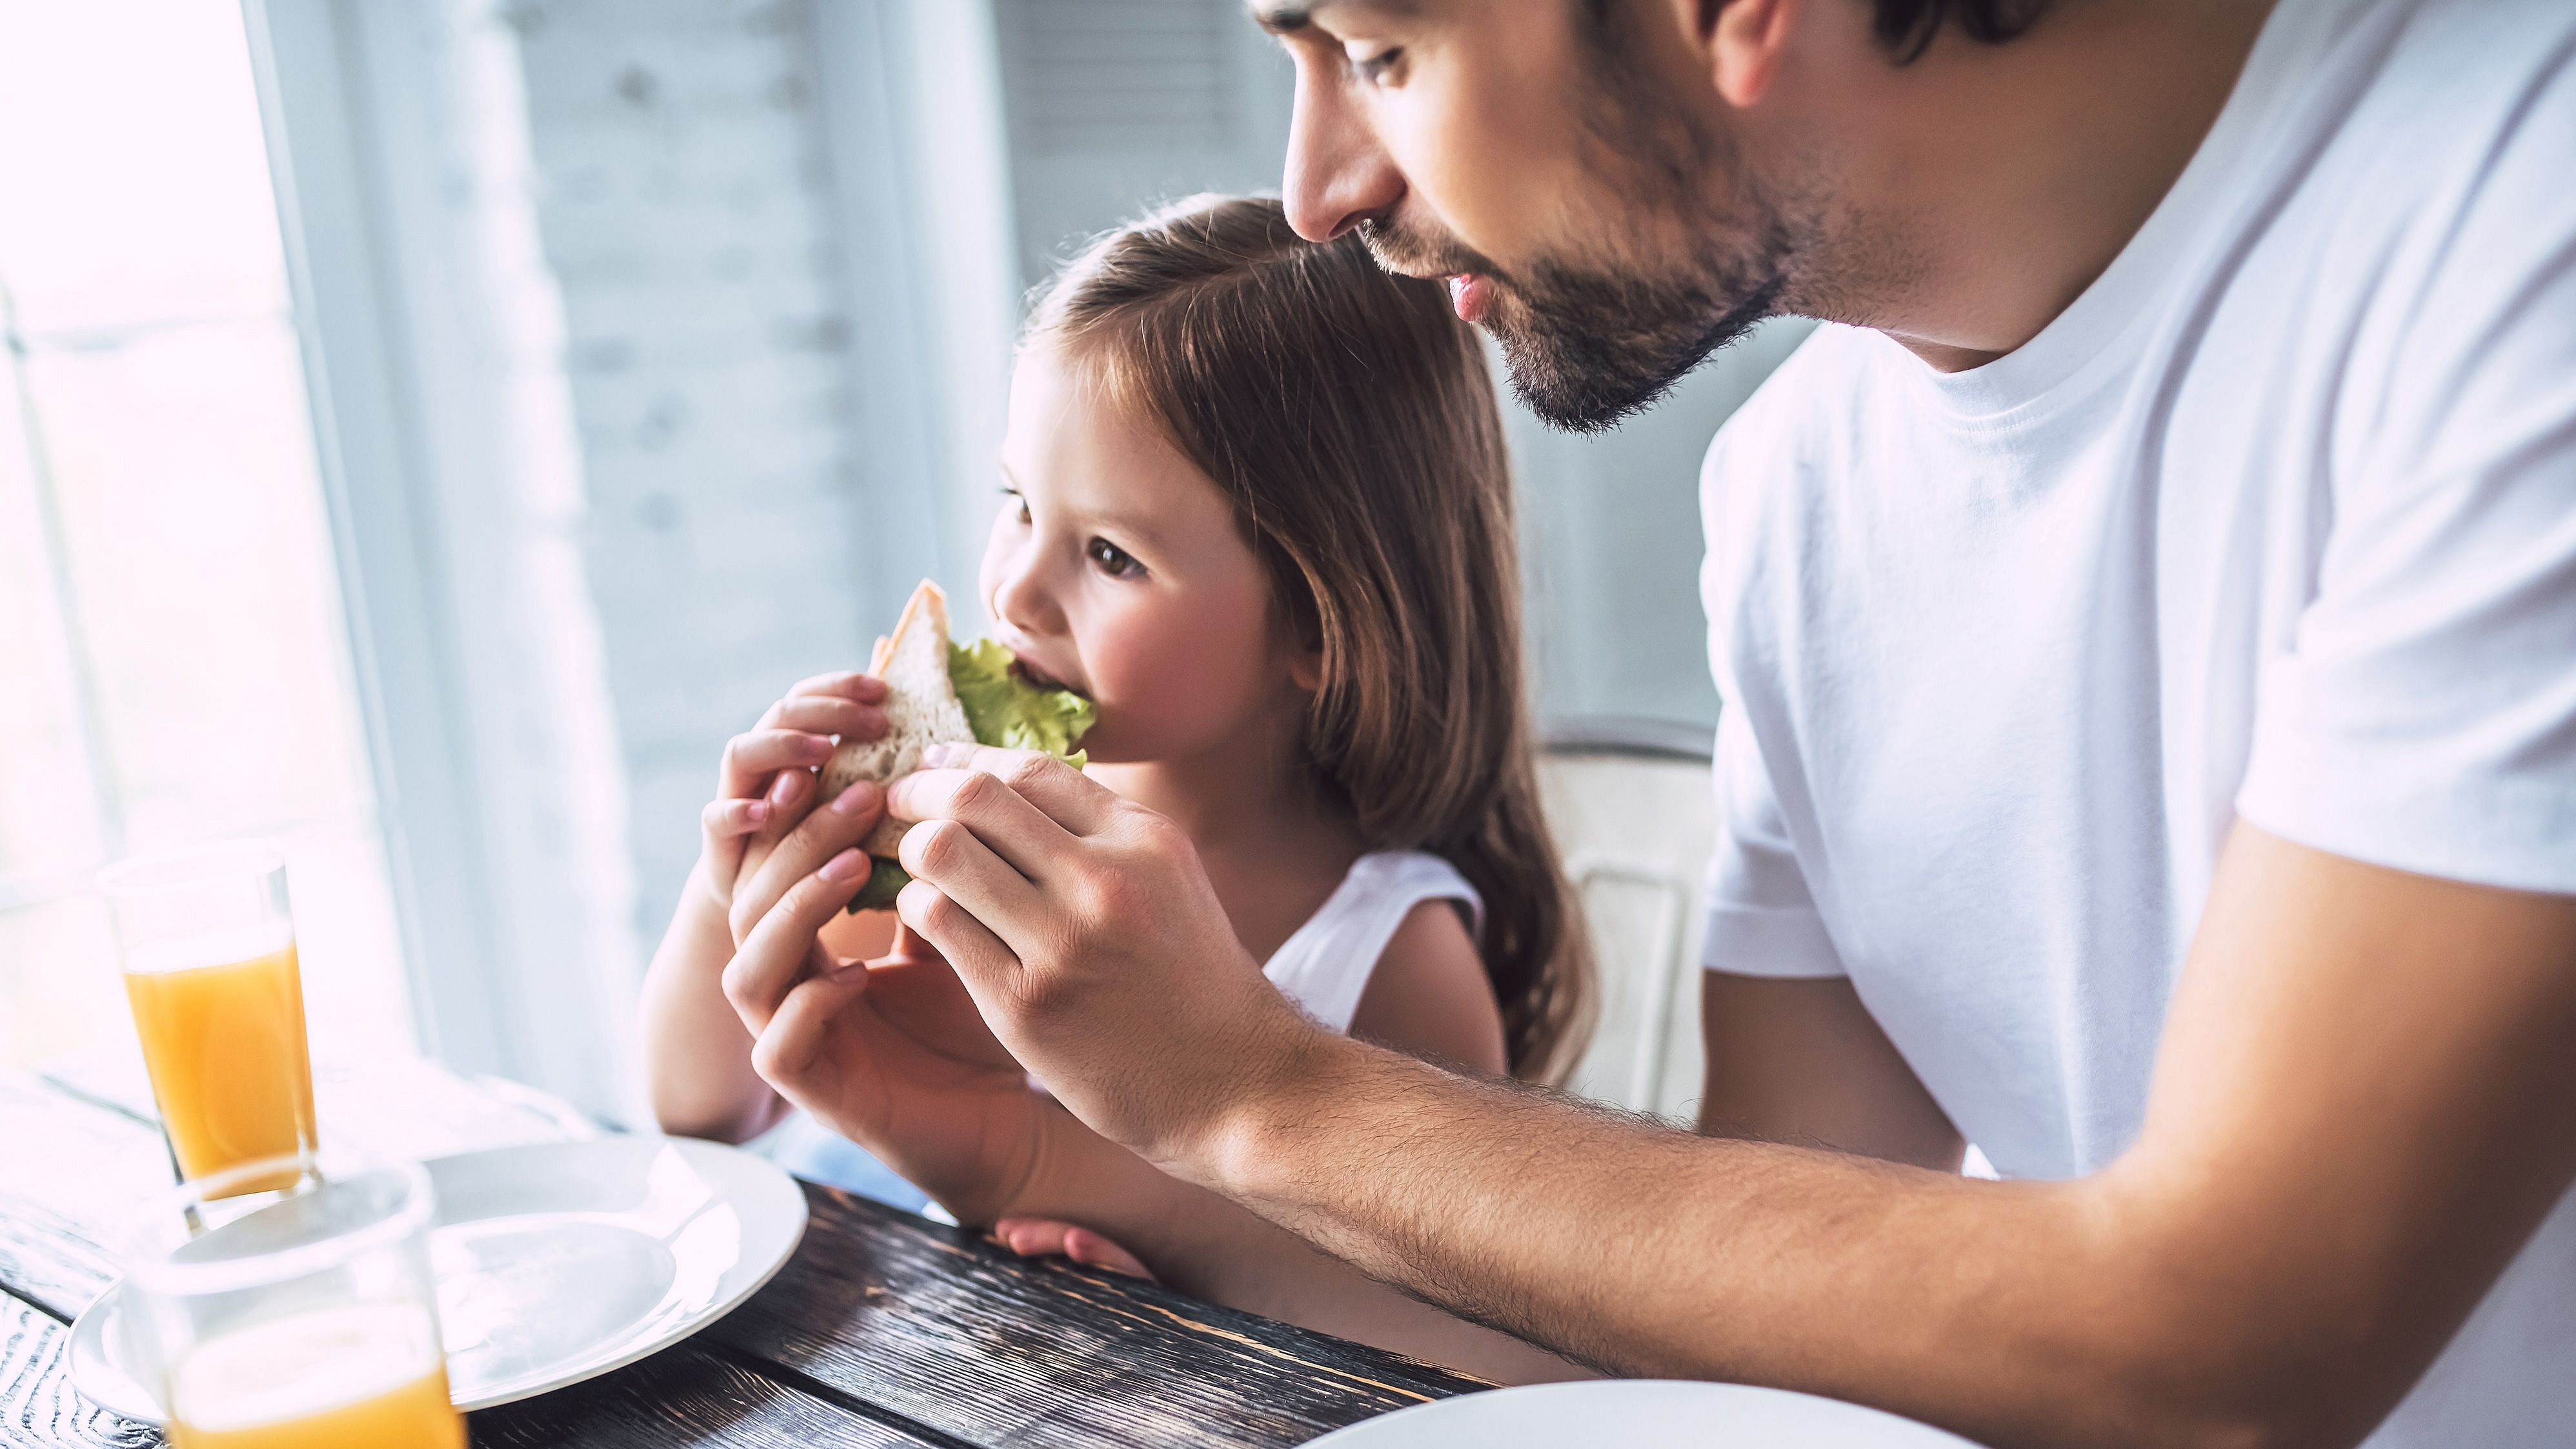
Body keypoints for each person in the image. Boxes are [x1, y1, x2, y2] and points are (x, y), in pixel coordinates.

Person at [726, 1, 2576, 1444]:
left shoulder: (2516, 224)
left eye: (1381, 49)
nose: (1319, 188)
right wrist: (1054, 1154)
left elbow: (2236, 1355)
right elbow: (1756, 1283)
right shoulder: (1796, 490)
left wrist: (1253, 1086)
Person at [640, 195, 1589, 1382]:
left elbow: (1460, 1344)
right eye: (1018, 505)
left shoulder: (1392, 952)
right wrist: (735, 883)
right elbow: (704, 1114)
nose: (1017, 591)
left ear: (1321, 625)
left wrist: (1172, 1290)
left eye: (1110, 555)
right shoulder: (956, 844)